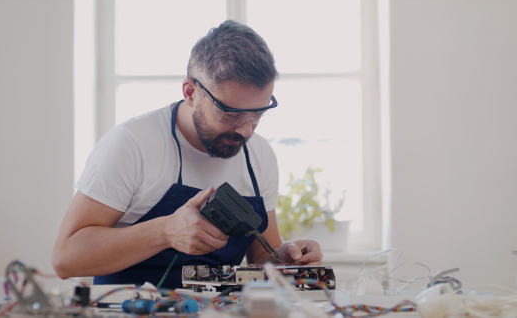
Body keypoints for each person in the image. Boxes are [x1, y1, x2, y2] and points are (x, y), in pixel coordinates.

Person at [52, 20, 323, 289]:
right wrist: (164, 231)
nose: (245, 130)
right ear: (191, 92)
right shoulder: (133, 143)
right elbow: (66, 259)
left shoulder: (259, 154)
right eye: (230, 113)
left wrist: (285, 260)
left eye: (257, 114)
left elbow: (263, 254)